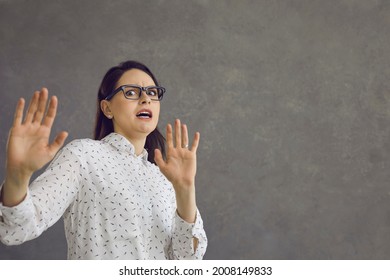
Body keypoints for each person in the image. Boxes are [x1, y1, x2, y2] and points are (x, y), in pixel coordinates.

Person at [0, 60, 207, 259]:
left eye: (152, 93)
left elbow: (187, 258)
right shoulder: (83, 156)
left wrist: (185, 188)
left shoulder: (164, 179)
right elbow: (17, 229)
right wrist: (18, 176)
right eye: (132, 92)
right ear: (107, 108)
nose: (146, 99)